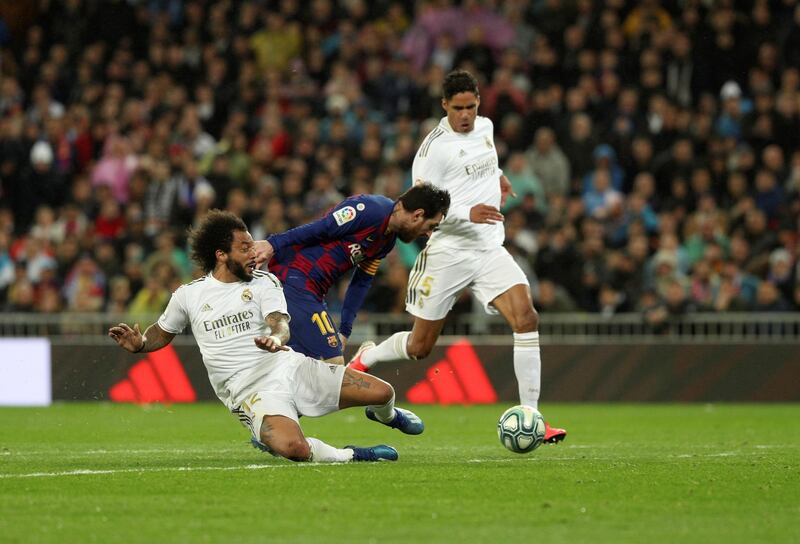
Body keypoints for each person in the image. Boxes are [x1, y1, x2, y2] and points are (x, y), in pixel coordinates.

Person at [348, 70, 566, 443]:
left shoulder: (486, 127)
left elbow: (485, 160)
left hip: (487, 248)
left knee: (526, 318)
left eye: (472, 106)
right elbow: (419, 208)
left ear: (479, 103)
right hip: (448, 251)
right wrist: (468, 213)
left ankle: (533, 416)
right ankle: (371, 353)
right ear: (444, 105)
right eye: (458, 108)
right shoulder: (433, 151)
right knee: (420, 348)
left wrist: (499, 178)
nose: (466, 115)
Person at [109, 210, 424, 463]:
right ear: (220, 254)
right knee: (294, 448)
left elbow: (279, 323)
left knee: (383, 393)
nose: (253, 252)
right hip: (250, 391)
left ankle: (388, 415)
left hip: (289, 367)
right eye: (244, 248)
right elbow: (162, 332)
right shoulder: (189, 296)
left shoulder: (264, 282)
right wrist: (140, 344)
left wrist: (276, 337)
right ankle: (353, 455)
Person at [253, 183, 450, 365]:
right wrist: (273, 243)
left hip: (312, 291)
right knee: (333, 365)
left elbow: (361, 281)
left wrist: (345, 330)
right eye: (431, 226)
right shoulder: (369, 209)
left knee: (299, 364)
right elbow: (322, 227)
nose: (428, 233)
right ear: (417, 215)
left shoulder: (386, 241)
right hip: (296, 277)